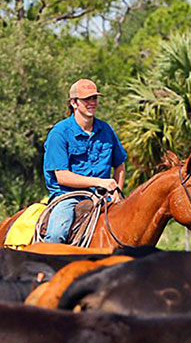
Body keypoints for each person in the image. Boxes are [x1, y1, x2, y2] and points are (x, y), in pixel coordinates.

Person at [40, 78, 127, 244]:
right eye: (86, 99)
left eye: (94, 98)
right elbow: (62, 177)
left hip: (103, 197)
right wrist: (101, 182)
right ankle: (47, 265)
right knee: (57, 233)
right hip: (68, 197)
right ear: (74, 103)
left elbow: (119, 165)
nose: (92, 103)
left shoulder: (106, 130)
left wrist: (117, 191)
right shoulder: (59, 133)